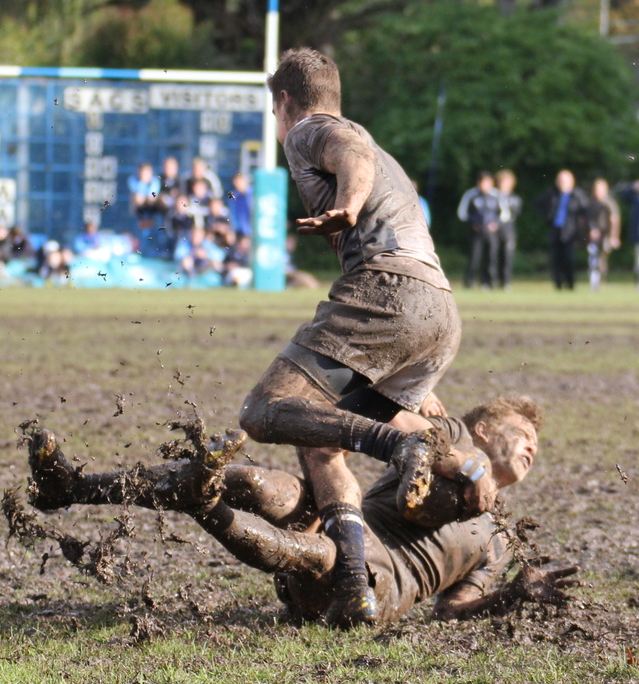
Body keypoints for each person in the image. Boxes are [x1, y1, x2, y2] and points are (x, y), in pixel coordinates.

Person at [237, 48, 485, 627]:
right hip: (438, 311)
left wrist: (346, 205)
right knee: (321, 440)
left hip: (388, 291)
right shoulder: (366, 139)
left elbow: (350, 156)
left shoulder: (310, 131)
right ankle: (354, 580)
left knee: (264, 411)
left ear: (283, 103)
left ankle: (406, 447)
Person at [20, 395, 580, 626]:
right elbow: (402, 426)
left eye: (536, 444)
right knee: (273, 487)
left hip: (379, 587)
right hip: (355, 525)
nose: (532, 447)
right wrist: (466, 462)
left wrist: (512, 593)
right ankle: (73, 486)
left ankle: (205, 506)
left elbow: (452, 609)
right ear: (485, 427)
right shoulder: (453, 434)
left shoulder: (500, 538)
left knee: (325, 554)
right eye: (524, 433)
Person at [536, 170, 588, 291]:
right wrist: (547, 217)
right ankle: (558, 284)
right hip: (555, 230)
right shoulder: (552, 194)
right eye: (560, 181)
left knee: (569, 259)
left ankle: (570, 284)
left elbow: (585, 213)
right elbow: (538, 204)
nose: (562, 184)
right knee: (556, 259)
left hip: (571, 232)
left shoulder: (577, 196)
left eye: (564, 181)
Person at [457, 171, 501, 289]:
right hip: (476, 232)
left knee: (491, 257)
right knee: (474, 257)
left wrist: (496, 224)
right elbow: (462, 213)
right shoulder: (471, 195)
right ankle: (469, 282)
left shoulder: (497, 195)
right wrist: (473, 223)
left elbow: (504, 214)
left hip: (492, 232)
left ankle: (489, 282)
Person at [587, 178, 620, 290]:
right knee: (593, 259)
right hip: (593, 237)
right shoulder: (591, 203)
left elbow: (614, 221)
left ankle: (600, 282)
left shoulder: (610, 204)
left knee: (602, 259)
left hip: (605, 236)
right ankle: (593, 282)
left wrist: (613, 237)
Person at [495, 170, 522, 290]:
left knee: (507, 255)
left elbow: (514, 213)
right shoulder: (493, 197)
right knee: (493, 255)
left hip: (508, 229)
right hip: (495, 229)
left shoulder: (515, 199)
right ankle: (491, 280)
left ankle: (505, 281)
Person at [128, 163, 163, 248]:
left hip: (153, 215)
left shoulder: (155, 182)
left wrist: (144, 198)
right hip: (139, 215)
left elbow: (151, 199)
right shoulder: (133, 180)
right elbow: (137, 200)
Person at [229, 172, 253, 239]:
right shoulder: (234, 197)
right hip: (241, 234)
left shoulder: (255, 194)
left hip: (254, 231)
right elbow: (233, 215)